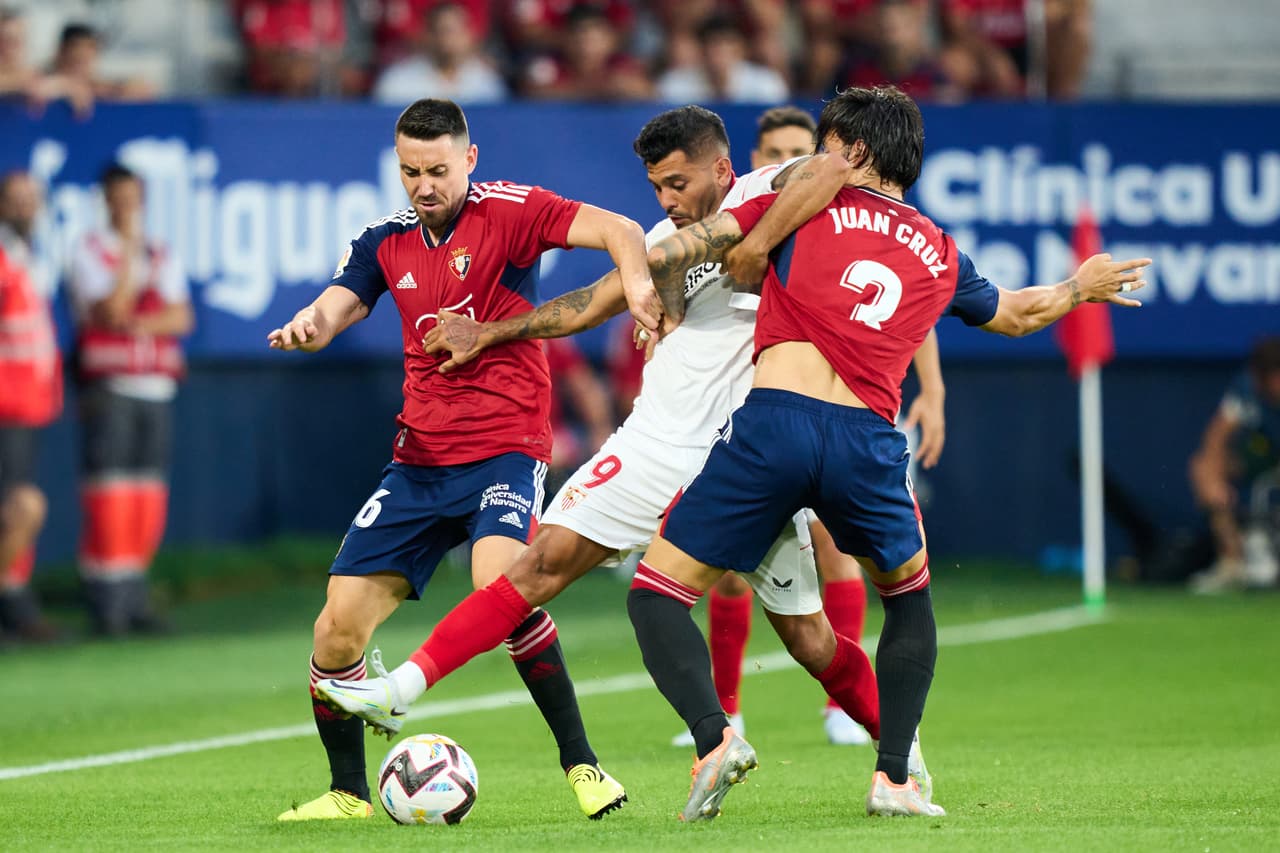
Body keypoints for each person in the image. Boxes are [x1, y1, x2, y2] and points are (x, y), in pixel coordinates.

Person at [313, 106, 932, 813]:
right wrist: (490, 332)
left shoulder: (781, 204)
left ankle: (897, 747)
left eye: (678, 182)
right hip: (651, 445)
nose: (666, 201)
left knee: (808, 636)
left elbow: (826, 169)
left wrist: (757, 246)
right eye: (657, 187)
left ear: (722, 167)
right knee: (539, 563)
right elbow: (586, 302)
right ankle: (405, 690)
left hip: (742, 458)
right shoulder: (671, 241)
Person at [616, 85, 1147, 820]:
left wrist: (656, 296)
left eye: (826, 144)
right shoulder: (939, 246)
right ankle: (893, 776)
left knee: (657, 591)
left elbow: (708, 246)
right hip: (866, 439)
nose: (814, 158)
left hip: (773, 423)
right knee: (909, 597)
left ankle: (715, 738)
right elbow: (1019, 315)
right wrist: (1078, 287)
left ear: (854, 152)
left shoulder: (801, 202)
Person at [267, 98, 656, 823]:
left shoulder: (512, 211)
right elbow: (338, 304)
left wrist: (635, 287)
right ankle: (349, 793)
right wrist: (308, 325)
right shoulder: (385, 240)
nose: (424, 185)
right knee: (335, 630)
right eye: (411, 171)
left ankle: (583, 765)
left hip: (504, 449)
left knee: (499, 588)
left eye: (438, 170)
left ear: (469, 161)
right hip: (417, 462)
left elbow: (623, 229)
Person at [670, 102, 947, 750]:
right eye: (779, 152)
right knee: (729, 571)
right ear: (757, 157)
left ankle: (840, 707)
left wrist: (931, 386)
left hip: (813, 403)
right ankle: (730, 706)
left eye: (809, 148)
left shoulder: (833, 218)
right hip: (744, 400)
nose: (797, 162)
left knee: (833, 546)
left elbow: (914, 304)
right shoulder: (750, 207)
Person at [67, 163, 192, 637]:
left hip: (155, 385)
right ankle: (106, 597)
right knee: (110, 492)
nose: (127, 206)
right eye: (118, 198)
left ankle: (135, 592)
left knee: (147, 492)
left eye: (133, 197)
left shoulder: (161, 251)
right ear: (106, 201)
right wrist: (128, 258)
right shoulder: (90, 249)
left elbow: (181, 317)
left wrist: (143, 322)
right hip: (112, 384)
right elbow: (112, 308)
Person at [0, 170, 61, 642]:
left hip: (27, 406)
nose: (25, 208)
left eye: (30, 200)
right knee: (23, 505)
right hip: (6, 405)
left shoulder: (25, 253)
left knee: (18, 506)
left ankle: (15, 600)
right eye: (15, 200)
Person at [1187, 337, 1280, 593]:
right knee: (1203, 467)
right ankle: (1233, 561)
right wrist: (1216, 486)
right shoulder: (1248, 389)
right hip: (1263, 457)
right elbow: (1216, 436)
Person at [372, 2, 507, 106]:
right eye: (442, 31)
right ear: (427, 35)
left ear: (468, 35)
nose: (448, 39)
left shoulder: (486, 83)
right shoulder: (397, 82)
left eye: (455, 31)